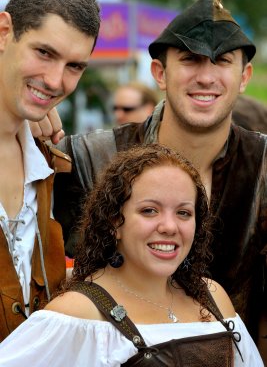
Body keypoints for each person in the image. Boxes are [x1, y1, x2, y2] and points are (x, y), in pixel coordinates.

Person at [32, 0, 267, 362]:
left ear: (244, 77)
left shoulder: (264, 165)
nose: (205, 76)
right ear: (160, 72)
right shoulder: (87, 157)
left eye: (222, 61)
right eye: (190, 60)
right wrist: (19, 124)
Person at [0, 144, 263, 366]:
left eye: (183, 212)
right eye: (149, 210)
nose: (169, 227)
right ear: (115, 221)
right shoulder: (79, 312)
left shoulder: (212, 296)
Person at [0, 0, 100, 340]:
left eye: (74, 66)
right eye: (44, 53)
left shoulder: (48, 161)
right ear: (4, 32)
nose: (57, 81)